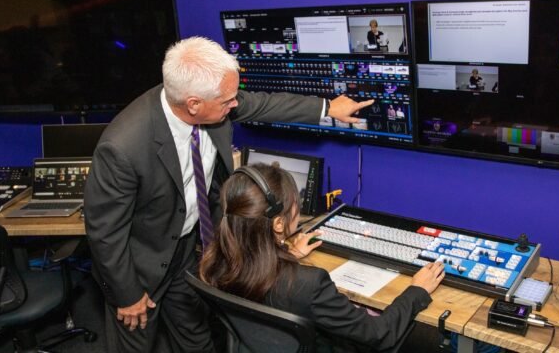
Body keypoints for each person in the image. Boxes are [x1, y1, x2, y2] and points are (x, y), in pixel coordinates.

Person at [84, 36, 373, 352]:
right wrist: (125, 295)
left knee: (197, 341)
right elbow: (105, 231)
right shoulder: (123, 146)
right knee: (136, 346)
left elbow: (265, 103)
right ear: (193, 103)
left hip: (188, 253)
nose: (236, 104)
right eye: (228, 100)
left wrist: (328, 107)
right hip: (139, 264)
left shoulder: (213, 100)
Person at [199, 163, 445, 351]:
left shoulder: (214, 261)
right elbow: (379, 334)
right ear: (278, 224)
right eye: (294, 205)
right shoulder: (309, 283)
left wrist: (289, 254)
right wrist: (416, 291)